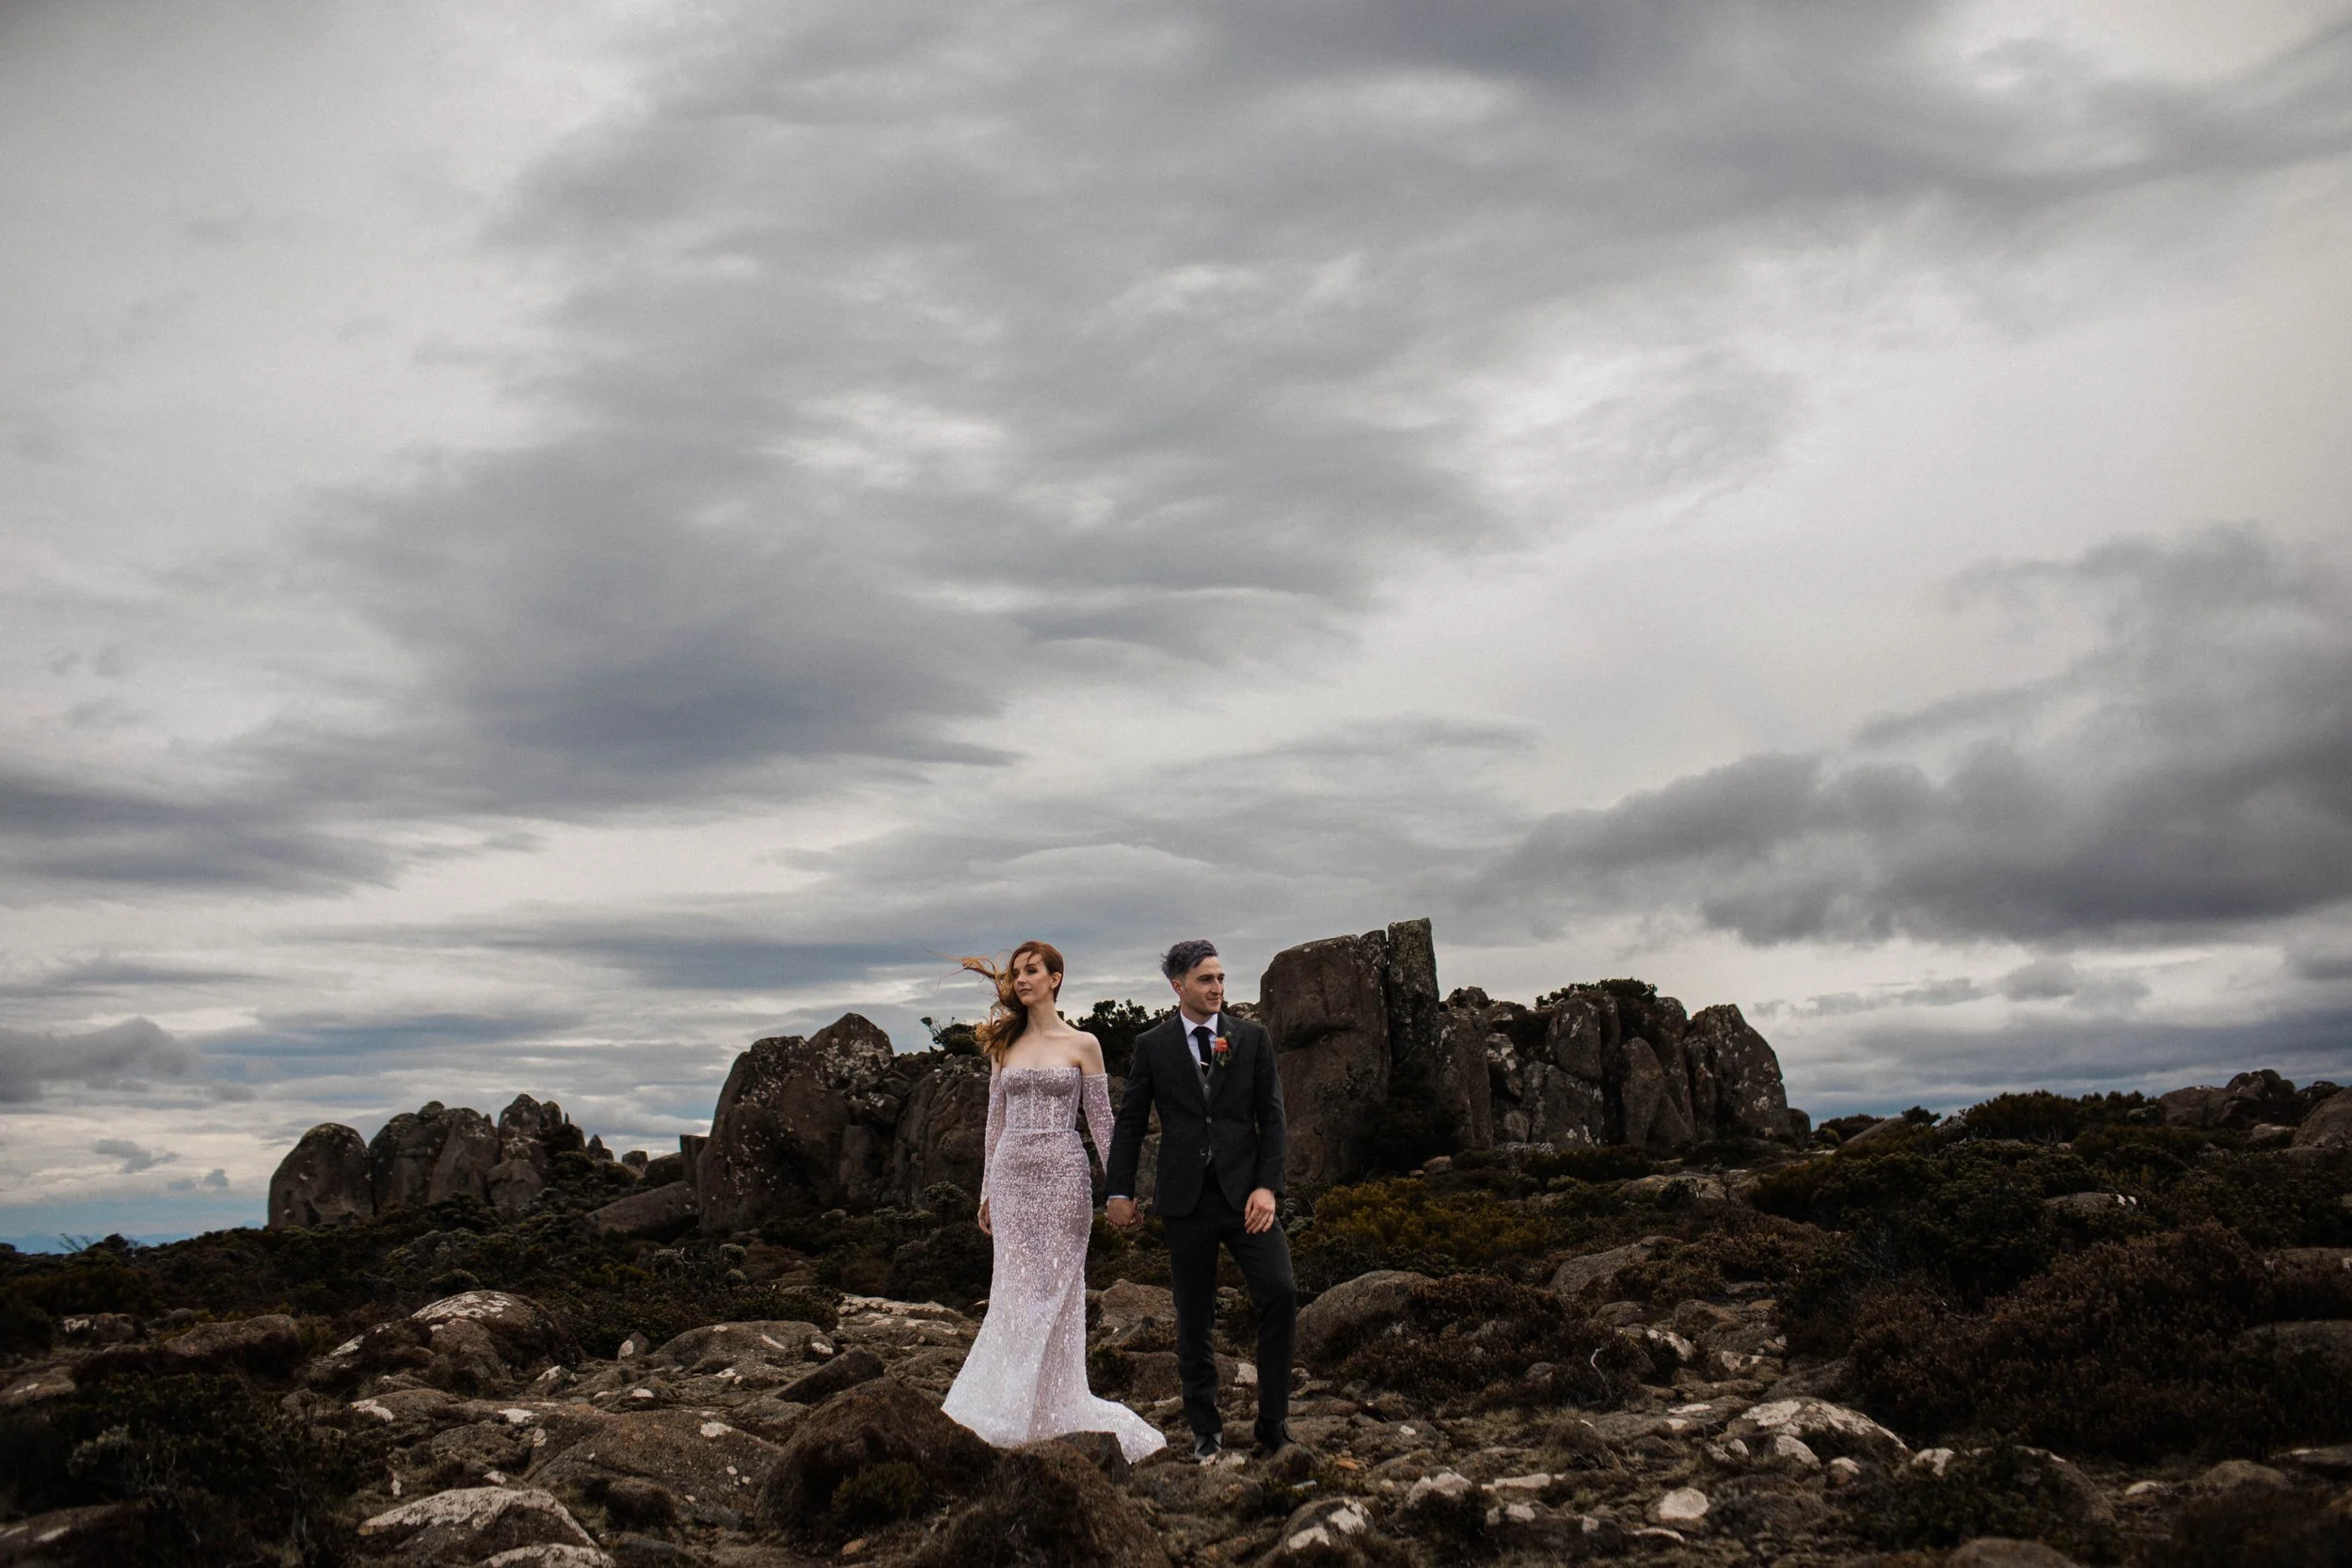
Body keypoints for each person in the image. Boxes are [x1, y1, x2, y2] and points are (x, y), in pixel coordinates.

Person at [939, 941, 1167, 1464]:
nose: (1021, 979)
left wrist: (1120, 1188)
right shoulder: (1005, 1046)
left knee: (1059, 1291)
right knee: (1015, 1291)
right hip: (1013, 1177)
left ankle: (1054, 1405)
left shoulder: (1084, 1044)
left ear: (1055, 979)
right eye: (1017, 972)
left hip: (1065, 1177)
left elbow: (1103, 1124)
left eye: (1032, 971)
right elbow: (994, 1124)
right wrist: (986, 1193)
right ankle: (1009, 1407)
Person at [1105, 938, 1298, 1463]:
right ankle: (1205, 1429)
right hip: (1185, 1200)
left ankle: (1274, 1423)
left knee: (1279, 1293)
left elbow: (1273, 1117)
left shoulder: (1251, 1038)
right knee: (1194, 1317)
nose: (1217, 988)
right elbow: (1129, 1122)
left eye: (1219, 978)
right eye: (1205, 980)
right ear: (1178, 986)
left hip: (1246, 1199)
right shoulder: (1153, 1046)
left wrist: (1267, 1186)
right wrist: (1119, 1190)